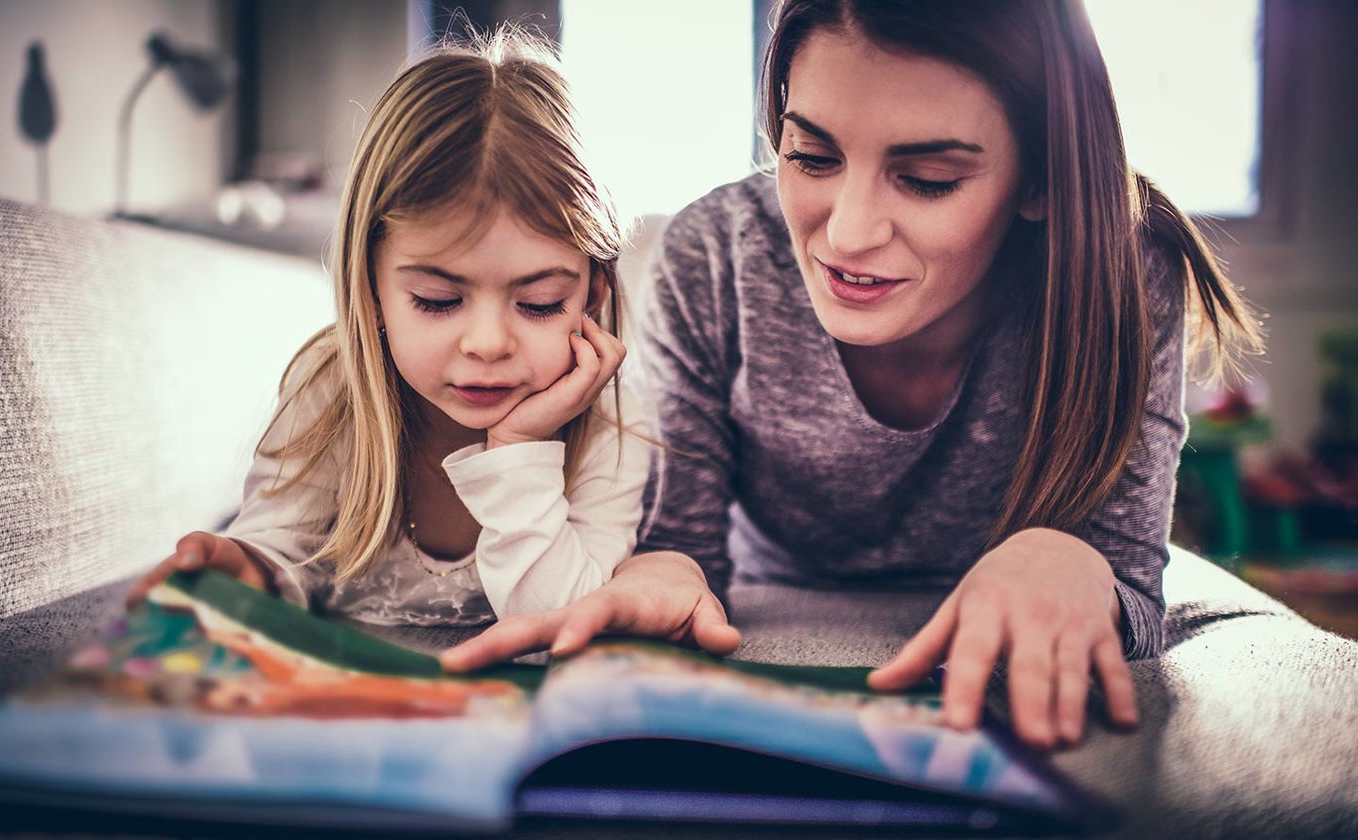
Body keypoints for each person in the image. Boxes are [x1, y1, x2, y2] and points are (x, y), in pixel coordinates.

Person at [442, 0, 1262, 750]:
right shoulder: (716, 255)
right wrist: (663, 576)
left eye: (928, 179)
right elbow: (680, 547)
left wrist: (1073, 563)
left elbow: (1130, 586)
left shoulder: (1127, 269)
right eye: (810, 155)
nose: (848, 232)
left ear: (1041, 177)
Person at [128, 30, 649, 626]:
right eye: (435, 300)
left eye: (539, 303)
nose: (486, 344)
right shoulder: (330, 390)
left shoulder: (614, 428)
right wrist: (242, 572)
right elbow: (277, 555)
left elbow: (563, 625)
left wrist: (519, 451)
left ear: (591, 296)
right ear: (370, 289)